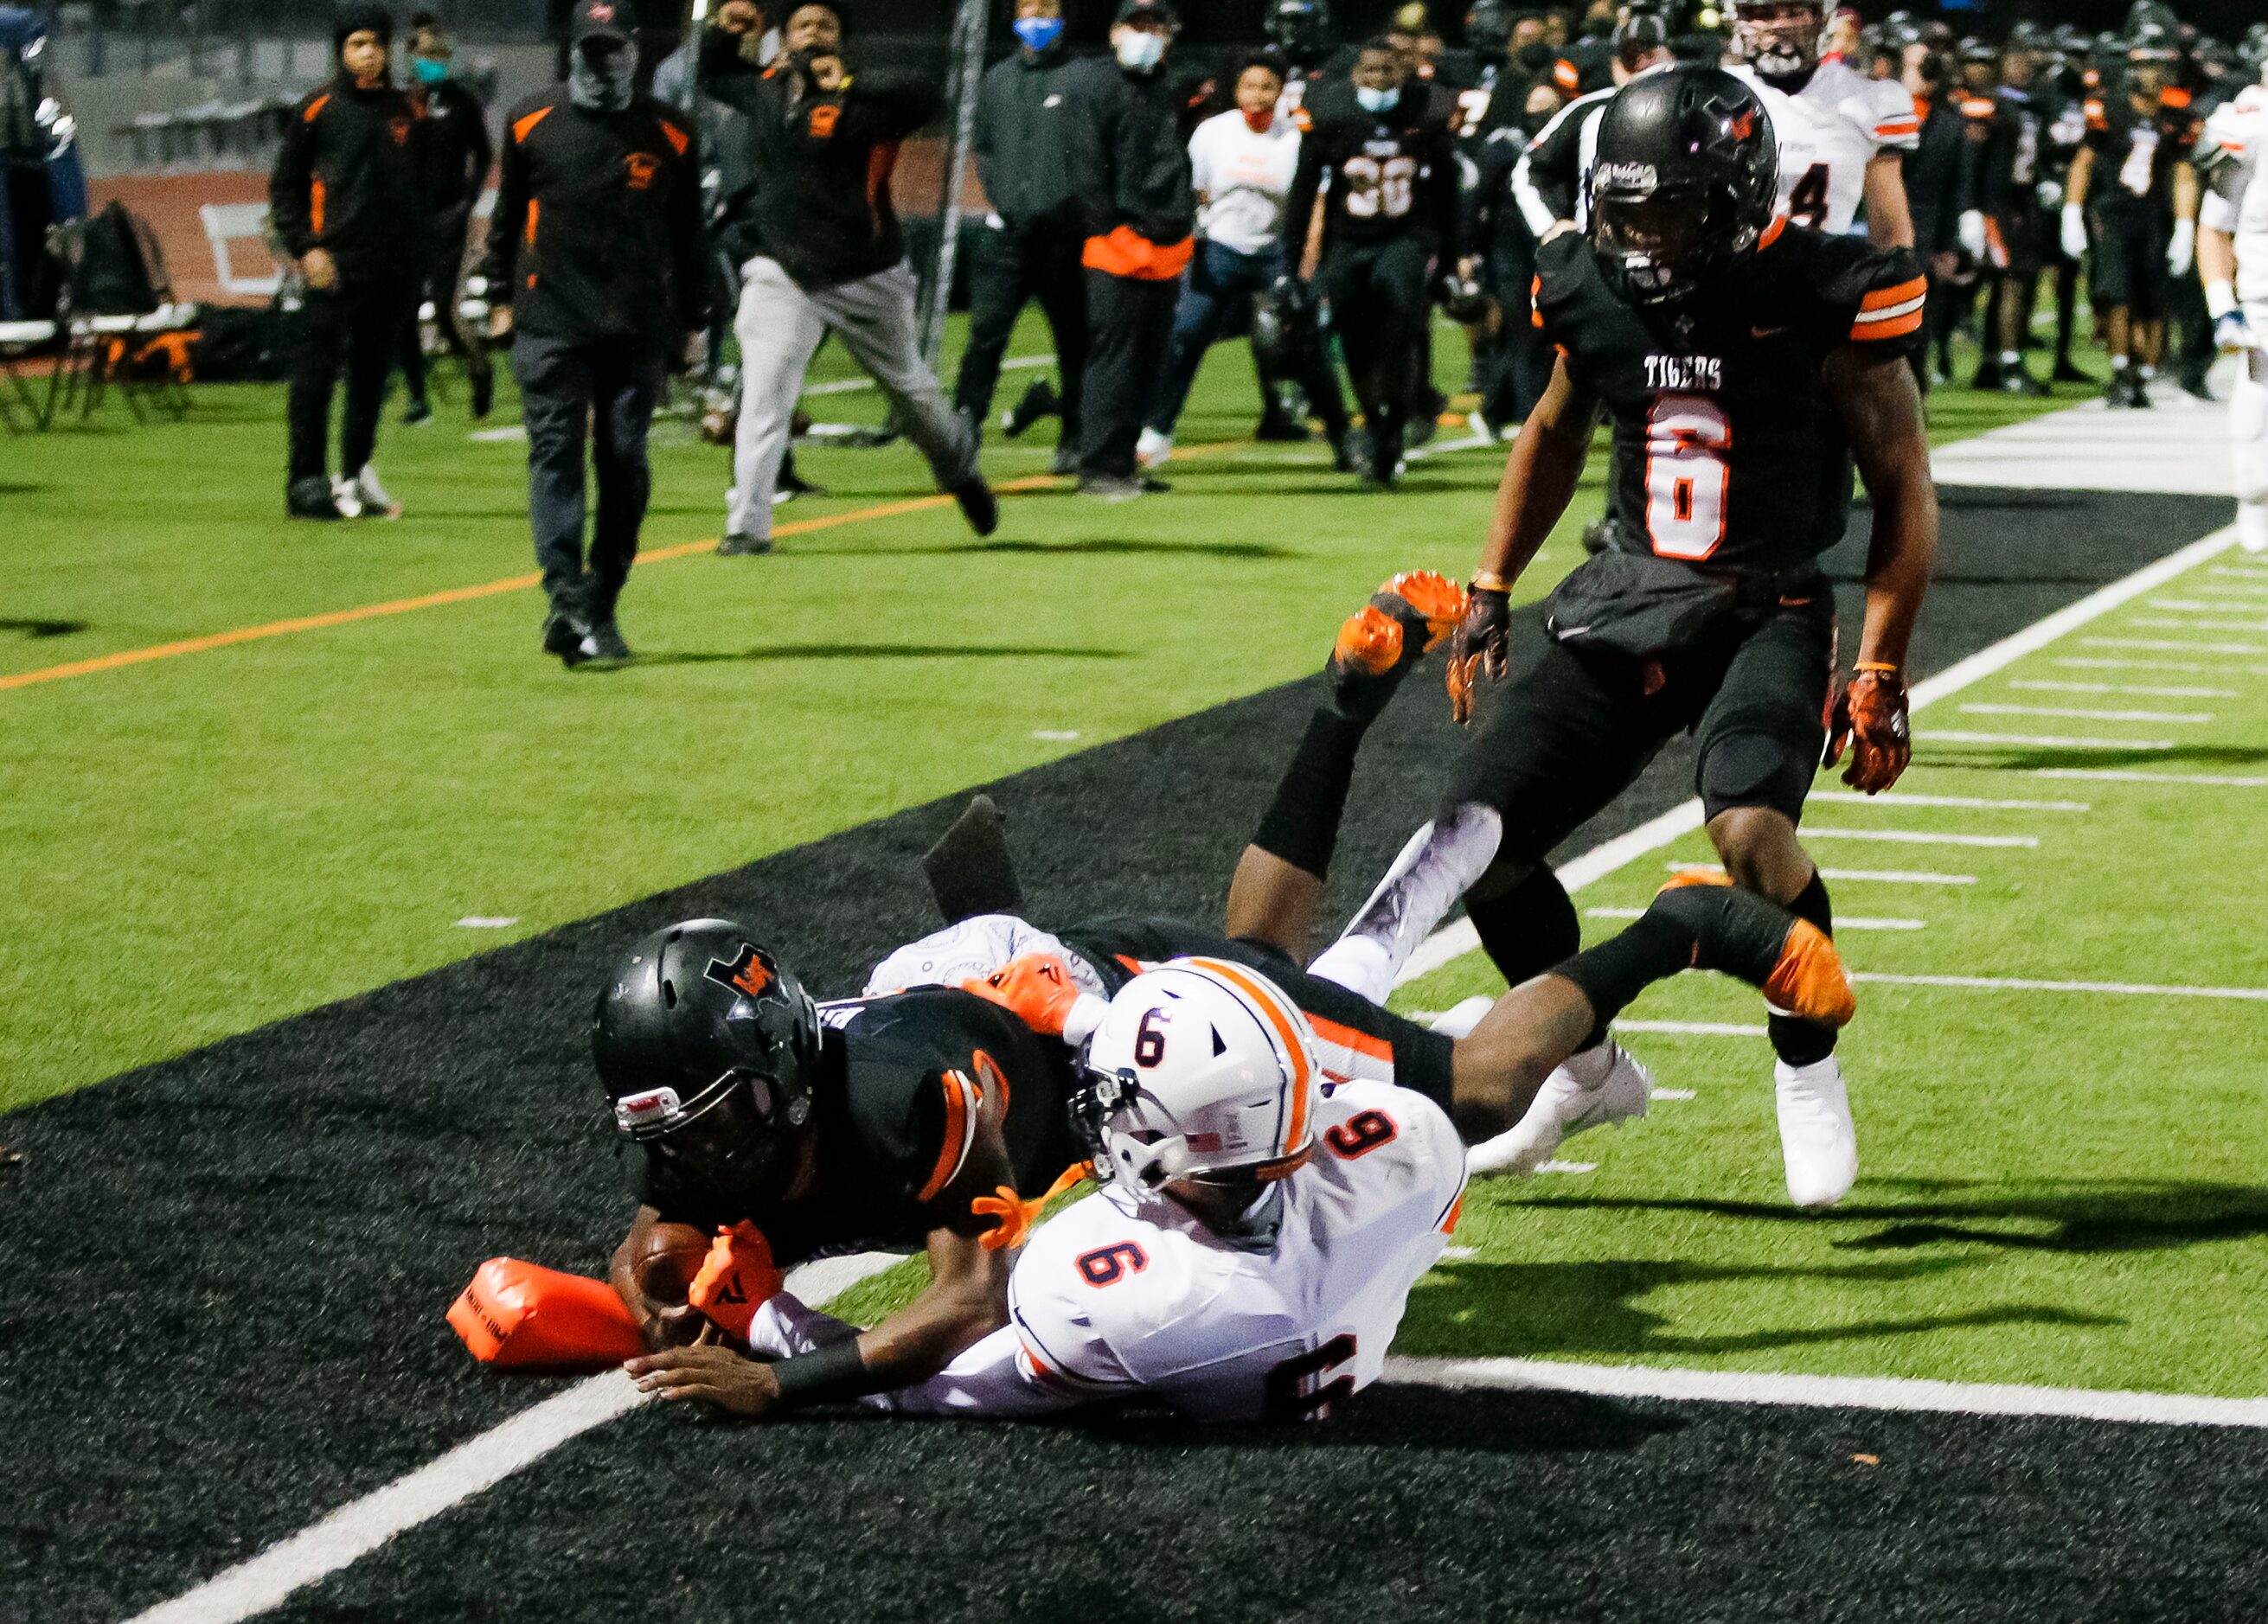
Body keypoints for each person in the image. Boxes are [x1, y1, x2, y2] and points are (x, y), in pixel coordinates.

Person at [614, 619, 1853, 1420]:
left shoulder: (912, 1108)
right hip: (976, 985)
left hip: (1082, 1017)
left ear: (774, 1076)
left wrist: (778, 1380)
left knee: (1461, 1087)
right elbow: (662, 1219)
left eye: (719, 1124)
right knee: (1270, 962)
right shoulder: (715, 1096)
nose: (702, 1152)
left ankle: (1676, 930)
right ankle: (1347, 731)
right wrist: (651, 1276)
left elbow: (965, 1306)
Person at [1306, 67, 1937, 1208]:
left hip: (1763, 602)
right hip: (1627, 592)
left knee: (1748, 832)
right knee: (1475, 838)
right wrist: (1492, 580)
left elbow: (1901, 484)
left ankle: (1807, 1059)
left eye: (1667, 211)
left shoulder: (1826, 286)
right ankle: (1585, 1067)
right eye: (1624, 208)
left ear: (1736, 196)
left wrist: (1882, 663)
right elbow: (1552, 428)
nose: (1639, 236)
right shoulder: (1587, 285)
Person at [708, 2, 998, 553]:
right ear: (785, 39)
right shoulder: (768, 89)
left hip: (866, 272)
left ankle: (959, 471)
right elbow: (717, 75)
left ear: (841, 42)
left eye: (826, 26)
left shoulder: (870, 101)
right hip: (783, 269)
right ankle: (747, 529)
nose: (814, 33)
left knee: (911, 393)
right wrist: (725, 33)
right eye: (803, 25)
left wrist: (850, 84)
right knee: (765, 397)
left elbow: (926, 96)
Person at [482, 0, 708, 668]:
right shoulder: (530, 121)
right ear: (574, 49)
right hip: (548, 317)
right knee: (554, 450)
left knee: (625, 461)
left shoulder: (671, 132)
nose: (603, 60)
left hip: (636, 325)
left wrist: (693, 322)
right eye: (591, 48)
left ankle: (599, 598)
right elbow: (506, 218)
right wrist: (497, 296)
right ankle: (562, 599)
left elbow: (688, 237)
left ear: (634, 49)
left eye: (613, 48)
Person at [1282, 37, 1463, 486]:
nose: (1379, 82)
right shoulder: (1331, 115)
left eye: (1388, 74)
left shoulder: (1426, 113)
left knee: (1399, 321)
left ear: (1402, 77)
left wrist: (1453, 258)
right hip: (1349, 241)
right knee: (1353, 336)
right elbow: (1303, 190)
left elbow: (1448, 190)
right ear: (1355, 77)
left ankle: (1394, 424)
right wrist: (1290, 263)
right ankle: (1375, 421)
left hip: (1403, 237)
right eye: (1371, 74)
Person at [270, 4, 424, 521]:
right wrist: (306, 247)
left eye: (376, 44)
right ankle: (306, 482)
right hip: (331, 267)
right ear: (340, 49)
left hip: (392, 271)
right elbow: (284, 188)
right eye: (357, 43)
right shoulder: (317, 109)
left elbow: (423, 188)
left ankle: (355, 475)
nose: (368, 53)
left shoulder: (408, 111)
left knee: (371, 379)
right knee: (314, 377)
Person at [1135, 52, 1306, 468]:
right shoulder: (1214, 131)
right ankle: (1156, 432)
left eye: (1267, 86)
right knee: (1186, 335)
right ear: (1236, 90)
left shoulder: (1296, 138)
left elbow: (1304, 204)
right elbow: (1196, 191)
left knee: (1298, 340)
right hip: (1220, 249)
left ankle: (1341, 435)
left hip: (1273, 253)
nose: (1258, 95)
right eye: (1250, 85)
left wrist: (1301, 263)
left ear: (1281, 91)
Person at [1066, 0, 1198, 501]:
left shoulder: (1171, 87)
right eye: (1137, 26)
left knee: (1147, 362)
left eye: (1156, 27)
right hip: (1117, 245)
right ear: (1116, 32)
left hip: (1165, 243)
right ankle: (1098, 467)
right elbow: (1086, 167)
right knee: (1112, 360)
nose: (1147, 36)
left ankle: (1123, 463)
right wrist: (1112, 229)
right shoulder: (1096, 86)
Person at [952, 0, 1089, 475]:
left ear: (1063, 16)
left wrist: (1069, 204)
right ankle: (964, 431)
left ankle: (1075, 435)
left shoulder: (1083, 77)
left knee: (1074, 341)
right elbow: (984, 147)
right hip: (1006, 236)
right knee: (985, 338)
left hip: (1065, 239)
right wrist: (1004, 197)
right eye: (1027, 6)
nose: (1036, 16)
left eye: (1046, 7)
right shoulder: (996, 79)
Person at [2065, 24, 2202, 409]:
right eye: (2145, 66)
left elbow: (2183, 172)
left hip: (2153, 214)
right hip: (2112, 211)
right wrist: (2072, 211)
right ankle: (2121, 369)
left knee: (2153, 299)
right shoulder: (2108, 106)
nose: (2153, 75)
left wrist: (2185, 224)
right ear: (2132, 68)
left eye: (2159, 66)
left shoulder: (2178, 111)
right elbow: (2084, 160)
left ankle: (2142, 372)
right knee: (2117, 295)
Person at [1722, 0, 1918, 246]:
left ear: (1823, 16)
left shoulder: (1867, 99)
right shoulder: (1714, 92)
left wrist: (1891, 279)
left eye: (1796, 12)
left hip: (1823, 278)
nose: (1781, 24)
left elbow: (1891, 232)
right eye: (1763, 13)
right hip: (1727, 278)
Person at [398, 12, 494, 425]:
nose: (432, 60)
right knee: (403, 312)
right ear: (410, 55)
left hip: (449, 219)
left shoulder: (462, 101)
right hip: (408, 220)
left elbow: (484, 153)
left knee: (445, 312)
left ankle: (480, 369)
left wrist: (467, 202)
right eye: (425, 53)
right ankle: (418, 398)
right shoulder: (401, 105)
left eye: (439, 54)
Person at [2198, 56, 2267, 552]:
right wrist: (2223, 304)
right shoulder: (2247, 129)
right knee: (2261, 392)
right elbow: (2215, 226)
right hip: (2265, 296)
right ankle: (2256, 505)